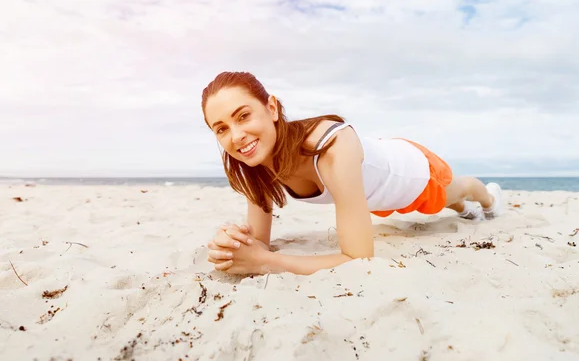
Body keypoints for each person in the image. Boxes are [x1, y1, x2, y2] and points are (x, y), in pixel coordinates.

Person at [202, 71, 503, 276]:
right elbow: (259, 243)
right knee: (450, 205)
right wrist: (233, 242)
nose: (237, 135)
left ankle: (488, 198)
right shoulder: (257, 166)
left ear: (271, 108)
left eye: (243, 116)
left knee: (455, 192)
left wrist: (266, 262)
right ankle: (464, 210)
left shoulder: (331, 147)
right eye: (222, 128)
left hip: (413, 174)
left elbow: (358, 258)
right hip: (373, 189)